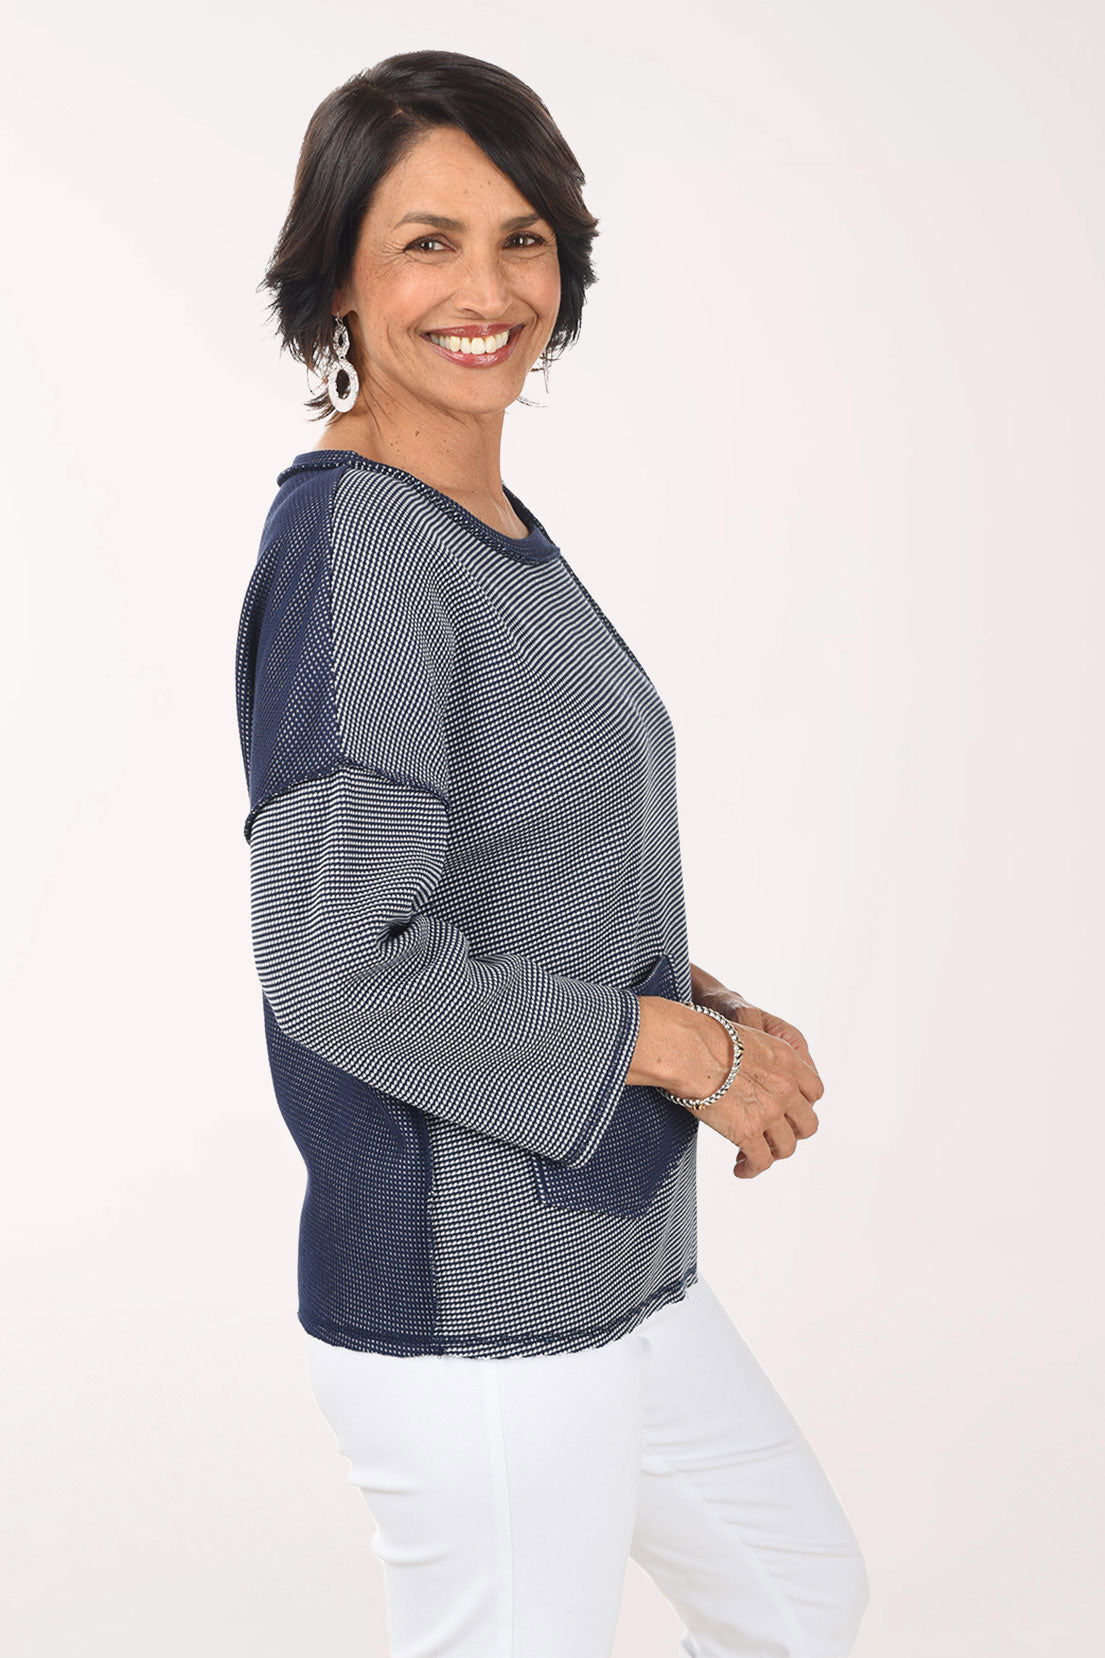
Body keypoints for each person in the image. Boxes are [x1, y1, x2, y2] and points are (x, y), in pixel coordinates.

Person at [234, 47, 870, 1658]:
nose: (488, 285)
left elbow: (528, 866)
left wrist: (723, 1010)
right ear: (337, 283)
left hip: (610, 1253)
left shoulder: (487, 534)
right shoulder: (360, 544)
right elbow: (337, 963)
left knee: (795, 1596)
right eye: (427, 241)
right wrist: (687, 1047)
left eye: (522, 237)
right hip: (475, 1298)